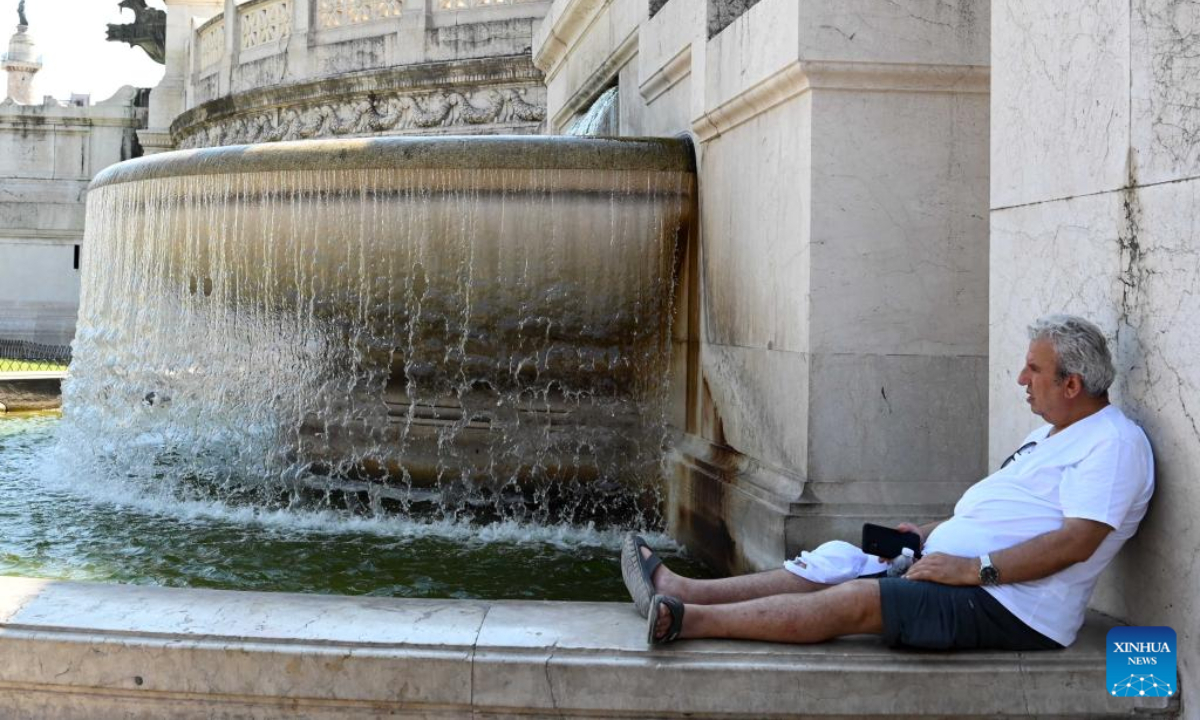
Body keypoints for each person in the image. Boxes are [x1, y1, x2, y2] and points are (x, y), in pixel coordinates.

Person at [622, 314, 1154, 650]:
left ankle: (686, 621)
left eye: (1033, 370)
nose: (1021, 379)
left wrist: (973, 569)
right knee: (834, 558)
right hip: (974, 578)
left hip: (1013, 608)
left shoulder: (1114, 444)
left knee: (858, 598)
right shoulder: (1057, 434)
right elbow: (1002, 515)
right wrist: (926, 534)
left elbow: (1077, 542)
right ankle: (684, 589)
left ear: (1072, 384)